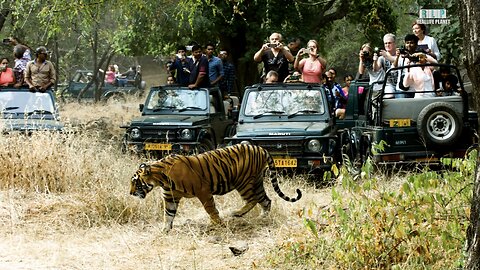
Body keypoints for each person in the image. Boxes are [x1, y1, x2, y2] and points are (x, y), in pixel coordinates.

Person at [378, 33, 398, 98]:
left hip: (401, 84)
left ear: (395, 43)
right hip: (389, 85)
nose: (387, 45)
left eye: (389, 43)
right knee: (388, 96)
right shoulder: (381, 58)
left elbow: (397, 63)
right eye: (385, 43)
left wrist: (387, 56)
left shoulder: (400, 55)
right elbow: (376, 69)